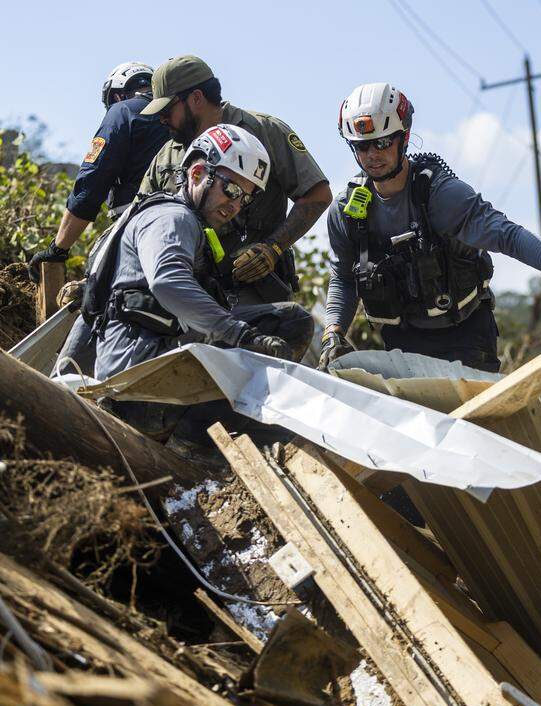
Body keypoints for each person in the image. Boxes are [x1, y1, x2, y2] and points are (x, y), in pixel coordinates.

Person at [320, 82, 541, 373]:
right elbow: (344, 279)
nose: (373, 155)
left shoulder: (441, 195)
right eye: (362, 147)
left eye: (383, 143)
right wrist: (333, 332)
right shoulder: (348, 212)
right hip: (401, 344)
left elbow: (506, 234)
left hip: (466, 336)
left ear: (404, 136)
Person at [89, 124, 294, 452]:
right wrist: (240, 334)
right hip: (143, 393)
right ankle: (193, 454)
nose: (236, 205)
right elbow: (167, 280)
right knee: (289, 323)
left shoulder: (177, 220)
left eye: (246, 198)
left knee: (278, 423)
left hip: (142, 386)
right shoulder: (173, 218)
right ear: (198, 173)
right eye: (232, 190)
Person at [138, 55, 328, 357]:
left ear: (196, 99)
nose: (162, 119)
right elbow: (138, 222)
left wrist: (272, 248)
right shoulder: (167, 155)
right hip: (188, 296)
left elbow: (317, 195)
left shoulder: (264, 131)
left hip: (253, 294)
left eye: (168, 110)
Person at [28, 62, 168, 280]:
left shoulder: (123, 111)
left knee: (99, 294)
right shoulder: (179, 114)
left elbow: (91, 183)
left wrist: (58, 248)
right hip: (194, 231)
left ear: (117, 95)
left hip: (139, 230)